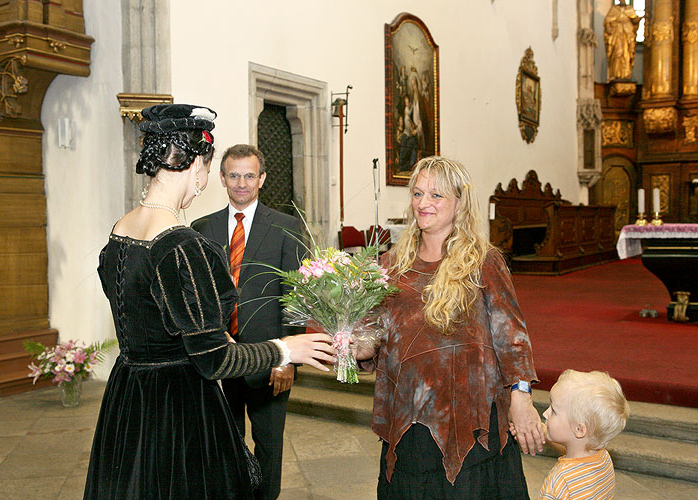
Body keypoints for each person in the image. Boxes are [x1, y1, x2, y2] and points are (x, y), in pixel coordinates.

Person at [84, 105, 334, 500]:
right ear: (197, 165)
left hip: (130, 394)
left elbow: (155, 318)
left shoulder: (121, 231)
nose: (202, 179)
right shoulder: (184, 244)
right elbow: (214, 360)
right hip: (179, 405)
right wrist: (287, 348)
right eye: (209, 166)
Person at [355, 156, 545, 499]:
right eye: (417, 193)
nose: (423, 203)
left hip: (472, 424)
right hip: (410, 424)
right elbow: (374, 337)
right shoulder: (389, 265)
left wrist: (521, 397)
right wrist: (356, 345)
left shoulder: (483, 262)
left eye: (436, 195)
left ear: (459, 203)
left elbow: (512, 337)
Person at [191, 144, 303, 500]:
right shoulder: (201, 228)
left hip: (269, 358)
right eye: (234, 175)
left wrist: (288, 357)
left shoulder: (286, 227)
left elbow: (296, 296)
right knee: (226, 443)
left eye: (249, 175)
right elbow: (199, 295)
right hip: (219, 357)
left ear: (262, 179)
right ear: (222, 178)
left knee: (269, 446)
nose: (242, 183)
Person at [538, 369, 630, 500]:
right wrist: (542, 429)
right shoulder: (603, 458)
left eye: (553, 411)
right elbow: (570, 449)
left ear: (579, 429)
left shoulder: (561, 481)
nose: (545, 413)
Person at [604, 0, 641, 82]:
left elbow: (634, 21)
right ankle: (616, 74)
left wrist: (637, 20)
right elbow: (607, 22)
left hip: (627, 34)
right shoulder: (614, 9)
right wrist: (610, 27)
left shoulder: (630, 9)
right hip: (617, 34)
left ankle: (626, 74)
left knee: (627, 54)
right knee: (618, 53)